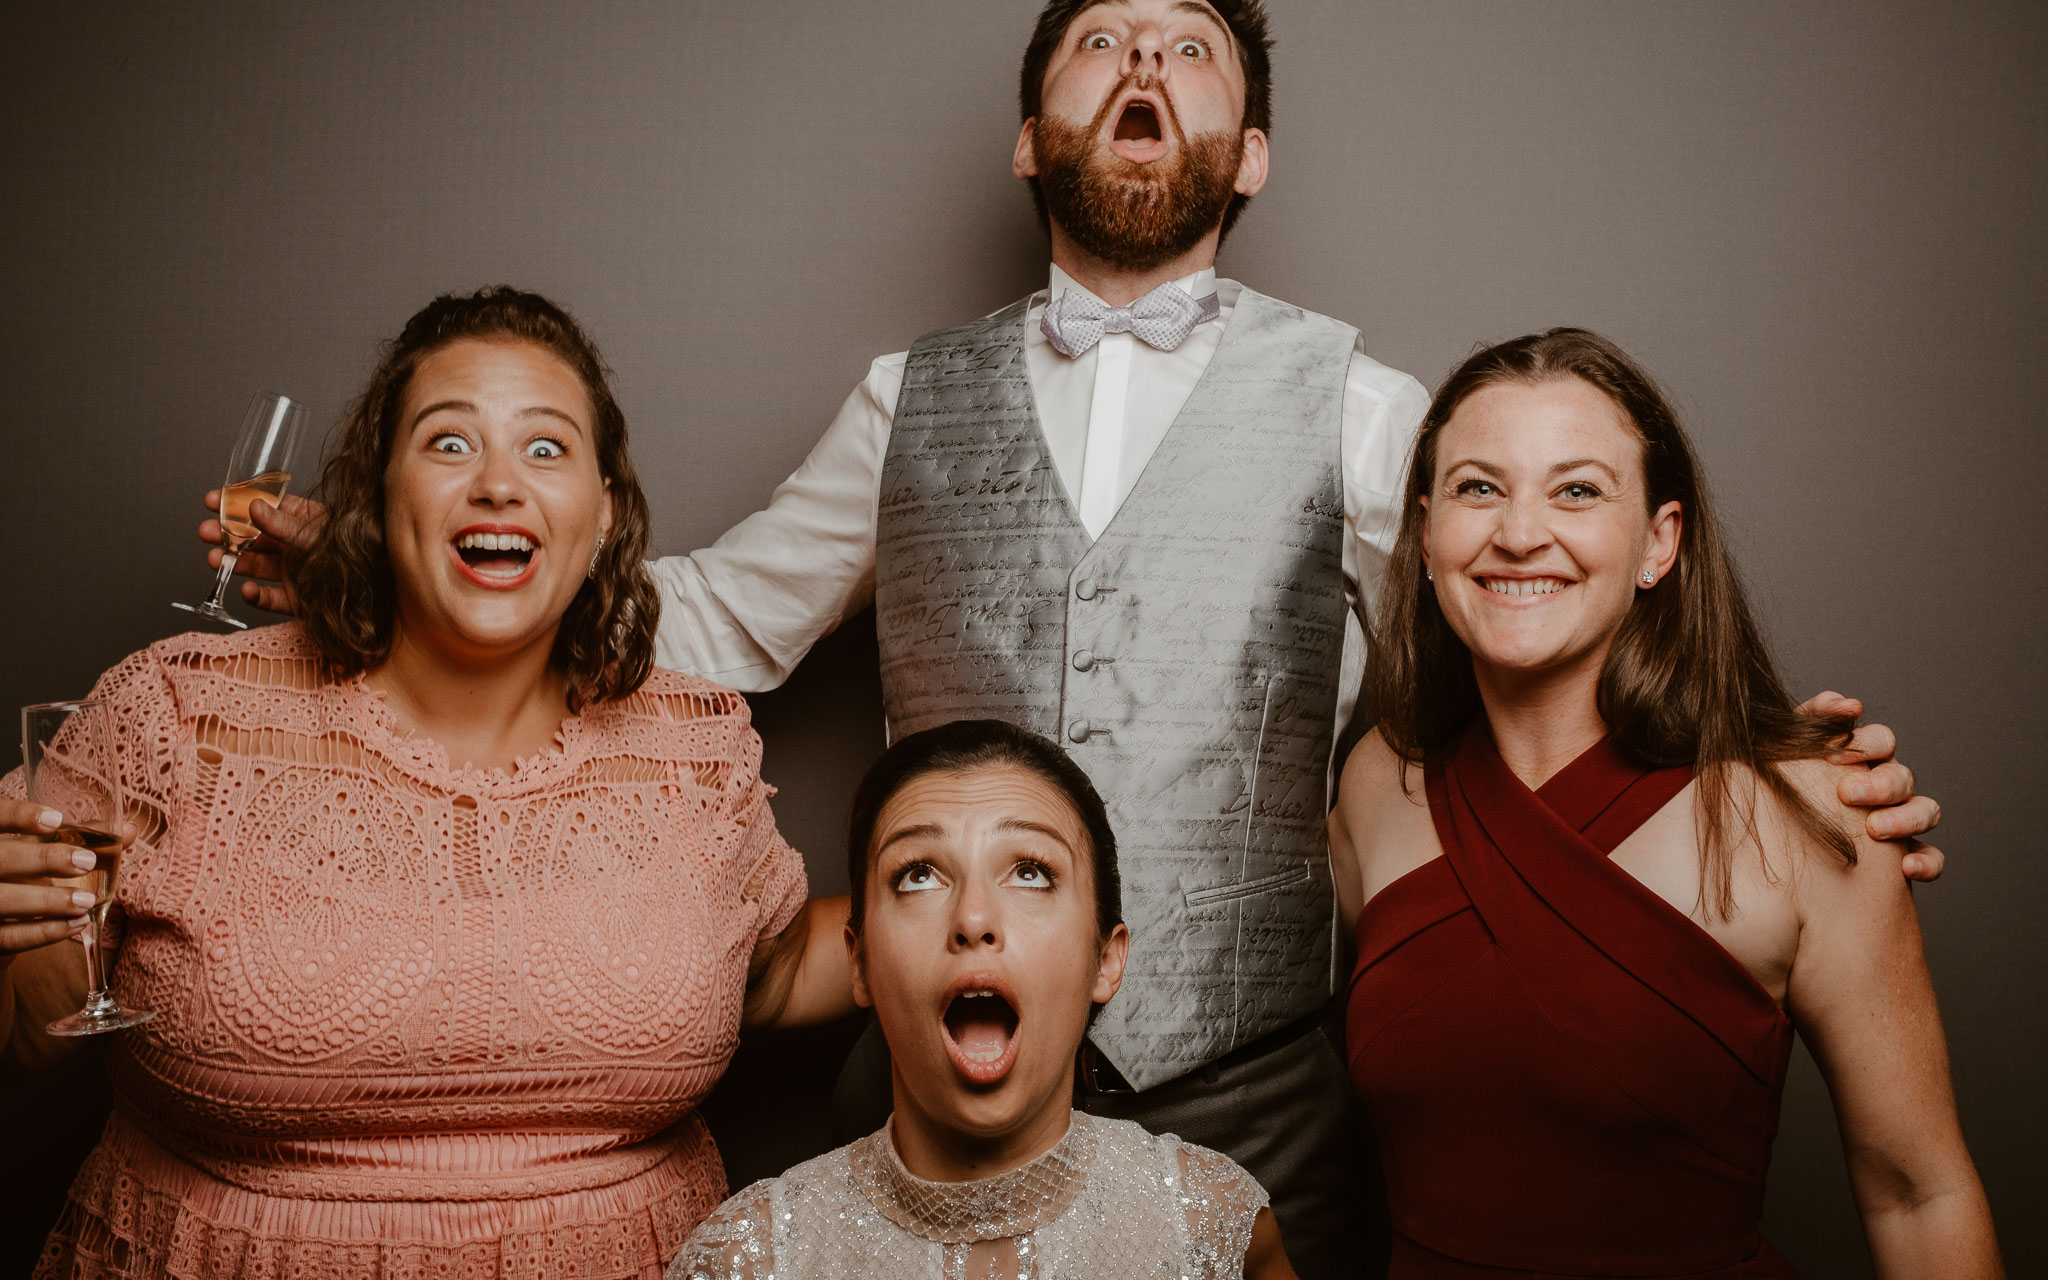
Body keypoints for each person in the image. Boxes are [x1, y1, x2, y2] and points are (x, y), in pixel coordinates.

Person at [196, 5, 1946, 1273]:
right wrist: (406, 570)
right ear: (1031, 134)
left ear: (1243, 149)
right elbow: (714, 620)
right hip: (926, 1083)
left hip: (1267, 1088)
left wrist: (1761, 755)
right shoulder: (906, 397)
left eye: (1186, 49)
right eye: (1097, 42)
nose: (1139, 70)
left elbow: (1531, 601)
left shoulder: (1360, 405)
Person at [1, 287, 856, 1280]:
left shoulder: (692, 751)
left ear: (605, 510)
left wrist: (1005, 906)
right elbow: (33, 1023)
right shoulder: (176, 715)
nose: (500, 482)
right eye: (450, 443)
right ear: (374, 496)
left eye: (546, 448)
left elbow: (782, 970)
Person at [1330, 329, 2001, 1279]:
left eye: (1577, 490)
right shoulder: (1375, 786)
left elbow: (1917, 1191)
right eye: (1481, 488)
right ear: (1428, 533)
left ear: (1658, 542)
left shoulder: (1806, 808)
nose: (1520, 533)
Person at [669, 718, 1296, 1280]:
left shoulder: (1212, 1231)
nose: (972, 916)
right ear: (859, 960)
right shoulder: (748, 1262)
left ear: (1105, 959)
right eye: (919, 874)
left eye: (1030, 871)